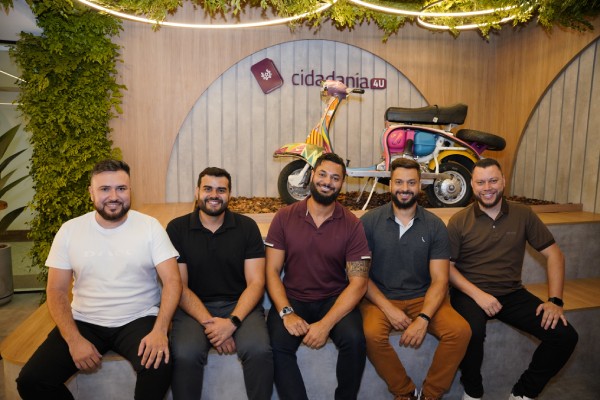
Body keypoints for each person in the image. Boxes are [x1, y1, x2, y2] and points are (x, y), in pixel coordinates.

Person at [16, 159, 182, 400]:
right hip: (85, 320)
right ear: (91, 192)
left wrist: (160, 330)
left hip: (138, 317)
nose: (114, 196)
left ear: (130, 190)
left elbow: (173, 281)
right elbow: (56, 291)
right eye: (104, 189)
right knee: (31, 381)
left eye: (121, 188)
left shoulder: (149, 227)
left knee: (159, 366)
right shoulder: (70, 230)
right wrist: (74, 340)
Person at [447, 158, 578, 400]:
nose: (488, 187)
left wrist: (555, 301)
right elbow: (448, 268)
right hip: (469, 292)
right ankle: (473, 392)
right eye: (481, 182)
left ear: (503, 181)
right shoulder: (459, 221)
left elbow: (555, 256)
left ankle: (523, 393)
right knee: (472, 331)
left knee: (564, 336)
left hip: (511, 293)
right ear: (472, 186)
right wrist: (479, 295)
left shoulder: (523, 214)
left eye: (493, 180)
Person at [359, 158, 471, 400]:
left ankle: (430, 394)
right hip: (380, 299)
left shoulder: (434, 225)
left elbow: (440, 280)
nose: (405, 188)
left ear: (420, 186)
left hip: (424, 298)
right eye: (399, 182)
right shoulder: (368, 222)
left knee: (460, 331)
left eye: (411, 182)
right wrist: (388, 309)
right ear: (390, 185)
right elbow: (360, 276)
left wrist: (423, 318)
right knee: (369, 335)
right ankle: (404, 392)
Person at [265, 153, 371, 400]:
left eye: (335, 178)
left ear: (341, 184)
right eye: (322, 174)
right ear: (312, 176)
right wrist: (286, 313)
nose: (327, 181)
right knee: (276, 345)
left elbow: (358, 284)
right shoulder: (285, 217)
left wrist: (326, 324)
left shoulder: (352, 224)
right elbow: (271, 271)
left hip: (333, 299)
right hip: (294, 298)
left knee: (355, 341)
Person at [166, 167, 273, 400]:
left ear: (229, 194)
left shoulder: (246, 227)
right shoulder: (177, 228)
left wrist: (232, 323)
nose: (214, 195)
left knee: (259, 351)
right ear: (197, 192)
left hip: (239, 304)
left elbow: (256, 282)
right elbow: (179, 287)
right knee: (185, 353)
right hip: (192, 308)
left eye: (221, 190)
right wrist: (213, 326)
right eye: (208, 189)